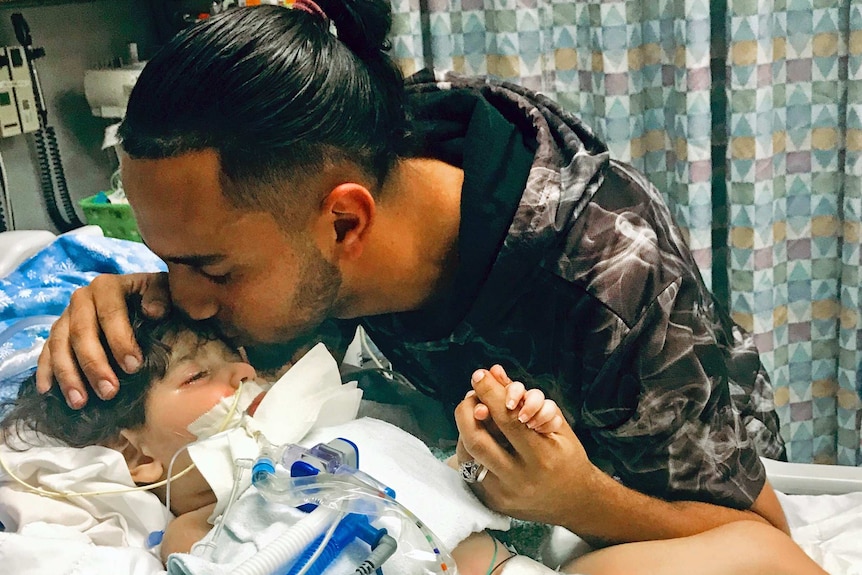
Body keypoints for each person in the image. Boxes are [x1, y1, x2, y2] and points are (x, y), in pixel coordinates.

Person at [38, 0, 791, 549]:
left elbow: (761, 536)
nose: (189, 301)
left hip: (655, 495)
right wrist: (127, 306)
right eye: (168, 260)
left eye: (209, 269)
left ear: (345, 223)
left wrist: (574, 497)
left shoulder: (606, 271)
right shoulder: (348, 147)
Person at [3, 303, 829, 575]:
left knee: (767, 557)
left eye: (239, 360)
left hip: (510, 557)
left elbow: (449, 483)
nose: (242, 380)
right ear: (140, 454)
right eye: (202, 377)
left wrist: (498, 438)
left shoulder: (350, 423)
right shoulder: (190, 528)